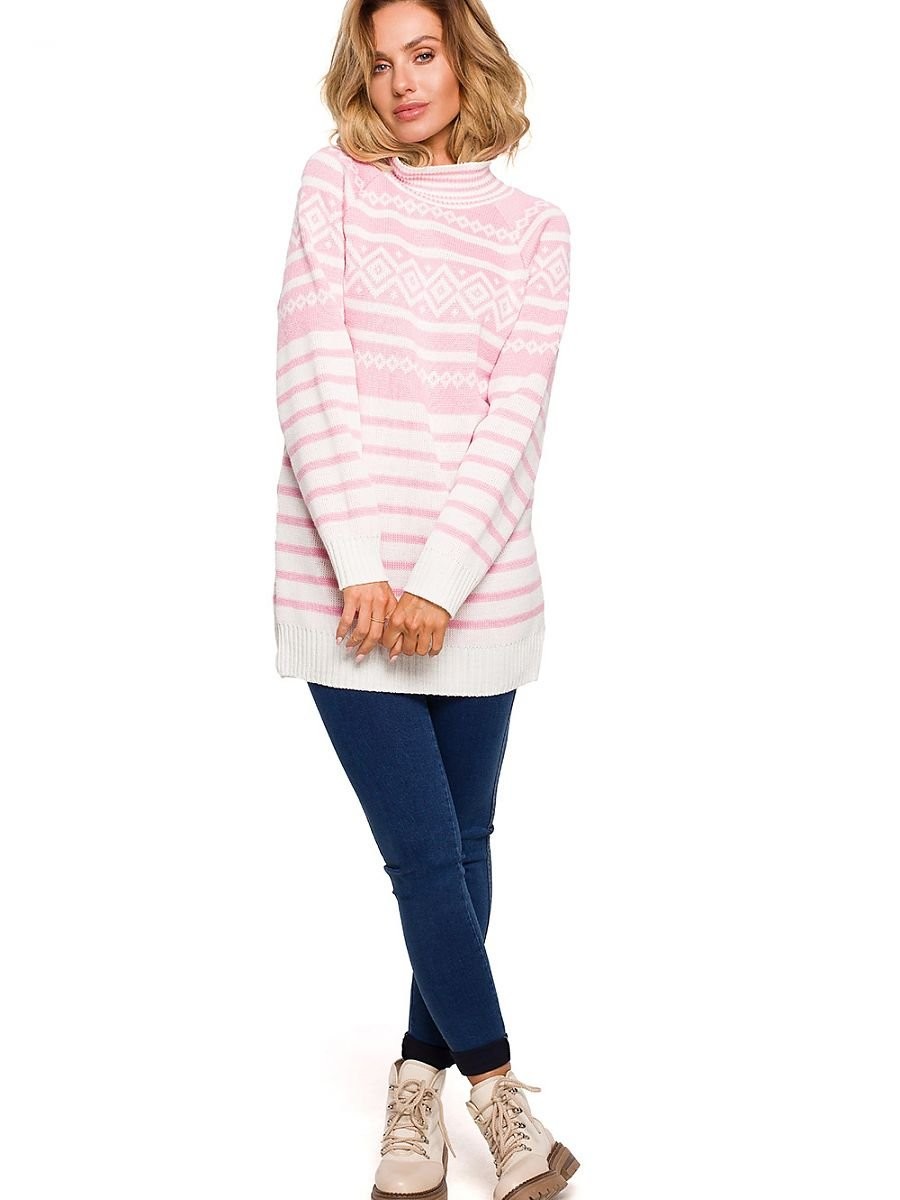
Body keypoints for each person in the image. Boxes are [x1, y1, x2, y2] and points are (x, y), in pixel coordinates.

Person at [272, 2, 579, 1197]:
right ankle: (499, 1095)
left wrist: (440, 585)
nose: (402, 82)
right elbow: (311, 374)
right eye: (379, 62)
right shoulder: (334, 188)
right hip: (344, 590)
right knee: (420, 857)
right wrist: (364, 566)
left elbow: (516, 418)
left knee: (461, 845)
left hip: (481, 593)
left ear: (464, 59)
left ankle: (416, 1074)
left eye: (423, 53)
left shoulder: (536, 230)